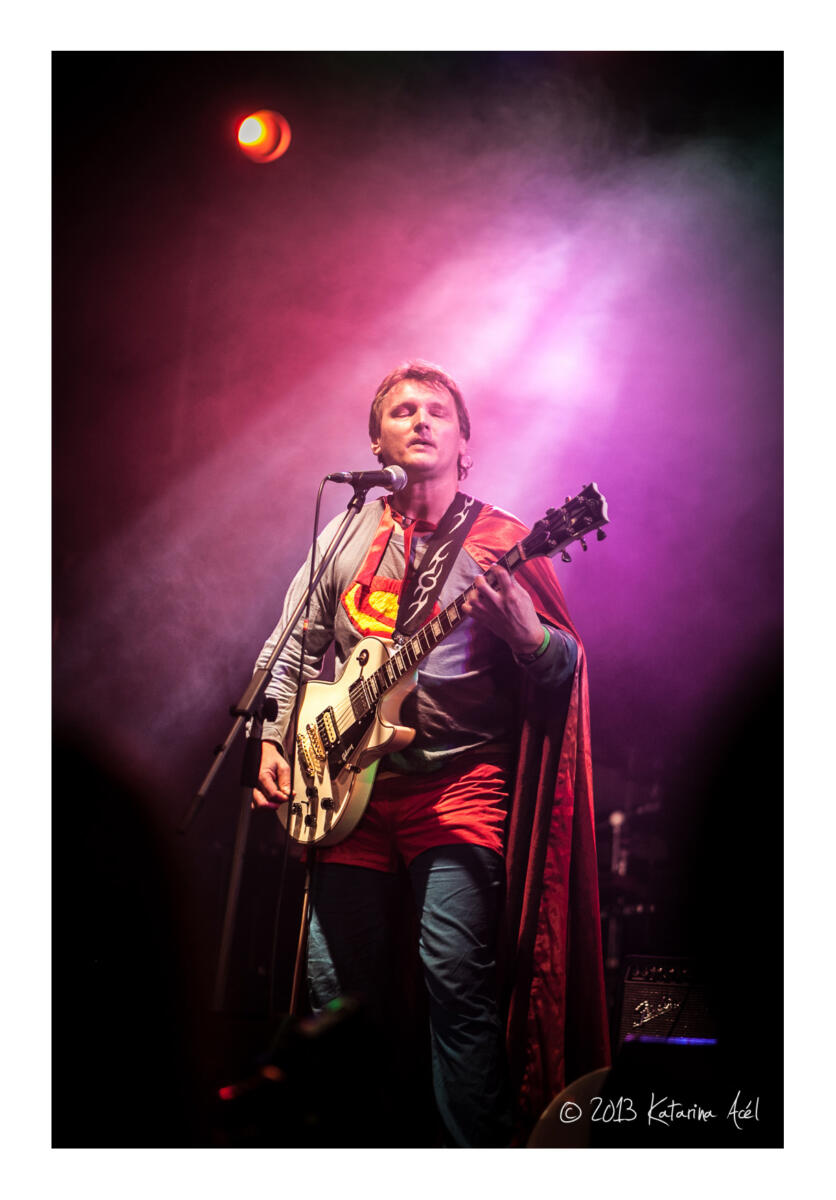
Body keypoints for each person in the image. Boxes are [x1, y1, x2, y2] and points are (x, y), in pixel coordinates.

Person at [251, 361, 609, 1146]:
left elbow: (565, 668)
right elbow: (289, 651)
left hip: (459, 784)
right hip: (349, 789)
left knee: (455, 984)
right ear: (375, 443)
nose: (420, 420)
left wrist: (530, 639)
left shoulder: (505, 540)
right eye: (402, 411)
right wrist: (274, 736)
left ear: (464, 443)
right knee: (335, 992)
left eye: (437, 411)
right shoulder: (346, 533)